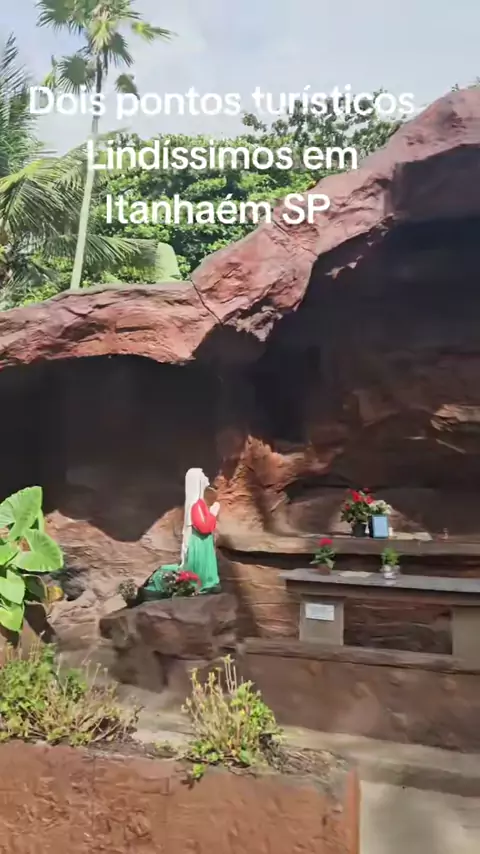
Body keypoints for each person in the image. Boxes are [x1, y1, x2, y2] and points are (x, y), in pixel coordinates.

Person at [140, 468, 221, 600]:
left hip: (203, 541)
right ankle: (202, 583)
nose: (207, 480)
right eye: (203, 477)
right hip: (199, 541)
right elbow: (203, 527)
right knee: (201, 565)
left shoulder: (200, 504)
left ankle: (206, 582)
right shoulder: (196, 506)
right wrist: (213, 513)